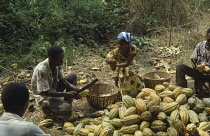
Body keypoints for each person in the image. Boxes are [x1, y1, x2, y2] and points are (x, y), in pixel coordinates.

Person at [31, 45, 80, 118]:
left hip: (52, 88)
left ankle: (65, 103)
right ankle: (48, 109)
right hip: (44, 96)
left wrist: (74, 88)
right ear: (51, 58)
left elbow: (63, 80)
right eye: (59, 59)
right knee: (67, 108)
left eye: (62, 59)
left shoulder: (57, 64)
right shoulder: (42, 70)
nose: (62, 62)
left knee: (73, 76)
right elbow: (46, 92)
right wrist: (67, 94)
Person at [106, 32, 143, 97]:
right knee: (122, 81)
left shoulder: (132, 48)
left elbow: (127, 63)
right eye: (118, 44)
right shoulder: (115, 52)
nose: (119, 46)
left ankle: (136, 92)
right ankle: (122, 93)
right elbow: (110, 61)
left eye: (122, 44)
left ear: (128, 44)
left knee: (131, 77)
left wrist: (116, 65)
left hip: (130, 65)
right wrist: (111, 63)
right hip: (119, 67)